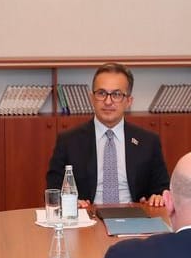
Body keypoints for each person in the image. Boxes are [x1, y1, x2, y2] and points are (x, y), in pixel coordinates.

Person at [46, 62, 170, 207]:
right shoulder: (68, 141)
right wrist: (71, 202)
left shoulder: (148, 141)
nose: (108, 101)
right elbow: (53, 191)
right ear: (92, 98)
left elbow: (162, 189)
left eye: (117, 94)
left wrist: (158, 197)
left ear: (128, 101)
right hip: (87, 218)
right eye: (101, 93)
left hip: (135, 217)